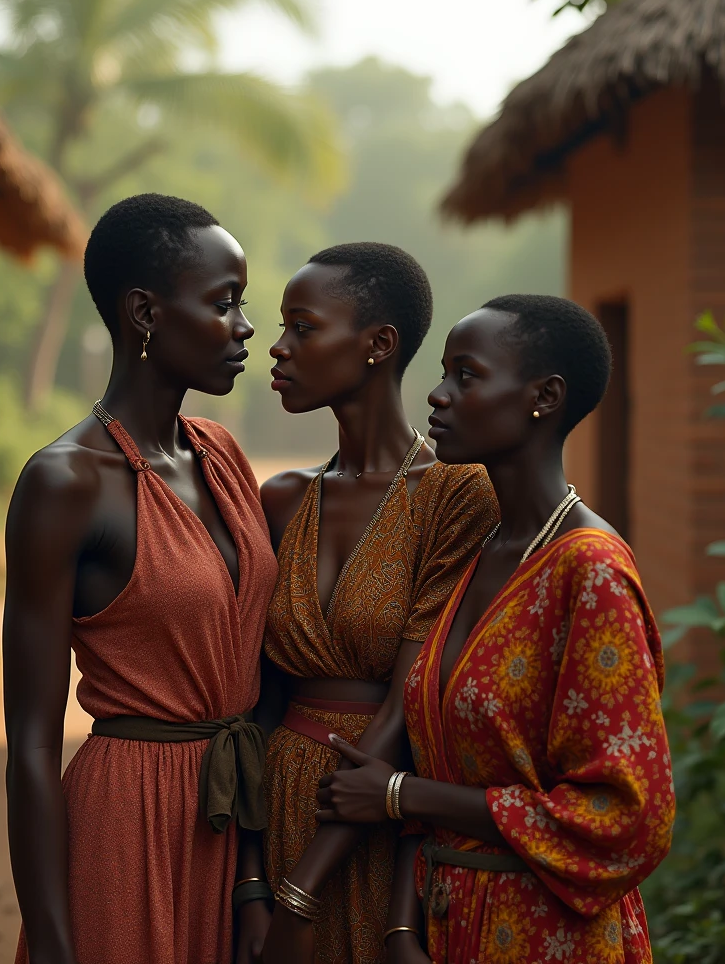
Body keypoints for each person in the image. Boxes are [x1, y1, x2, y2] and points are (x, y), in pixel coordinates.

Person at [314, 294, 675, 964]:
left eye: (467, 375)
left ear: (544, 396)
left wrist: (399, 795)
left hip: (549, 935)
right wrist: (401, 927)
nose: (438, 395)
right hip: (444, 924)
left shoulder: (590, 571)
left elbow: (630, 818)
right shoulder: (483, 551)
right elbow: (437, 754)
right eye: (444, 372)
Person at [4, 194, 278, 964]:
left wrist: (253, 880)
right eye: (224, 303)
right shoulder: (65, 484)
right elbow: (28, 743)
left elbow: (246, 696)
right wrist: (57, 945)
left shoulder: (221, 454)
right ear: (145, 312)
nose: (246, 326)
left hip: (224, 832)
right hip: (127, 828)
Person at [256, 244, 498, 964]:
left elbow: (412, 697)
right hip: (278, 806)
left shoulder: (455, 495)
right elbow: (256, 700)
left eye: (302, 327)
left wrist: (302, 891)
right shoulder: (281, 499)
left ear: (378, 345)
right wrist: (251, 884)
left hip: (379, 817)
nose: (278, 347)